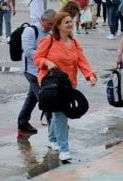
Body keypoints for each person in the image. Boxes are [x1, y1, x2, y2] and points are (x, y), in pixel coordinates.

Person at [34, 12, 97, 161]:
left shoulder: (74, 42)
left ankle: (52, 138)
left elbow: (82, 61)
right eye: (66, 22)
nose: (70, 24)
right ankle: (64, 149)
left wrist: (90, 75)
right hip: (52, 83)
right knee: (61, 114)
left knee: (58, 113)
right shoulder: (49, 41)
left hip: (68, 84)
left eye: (71, 21)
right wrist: (47, 63)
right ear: (58, 26)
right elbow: (37, 58)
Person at [17, 9, 57, 133]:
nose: (51, 27)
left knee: (32, 97)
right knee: (45, 98)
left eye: (53, 24)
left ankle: (22, 121)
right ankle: (54, 128)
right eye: (49, 24)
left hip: (44, 70)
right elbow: (28, 51)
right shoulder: (30, 31)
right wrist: (45, 58)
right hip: (32, 71)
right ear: (42, 20)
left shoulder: (50, 32)